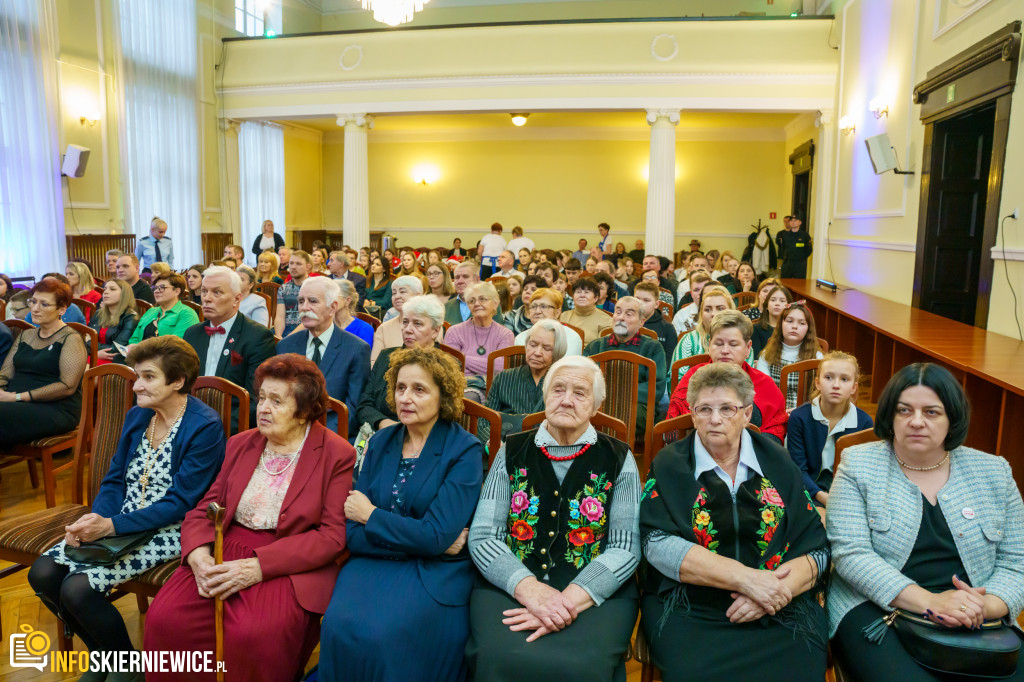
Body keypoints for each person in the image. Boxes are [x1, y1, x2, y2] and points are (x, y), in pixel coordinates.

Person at [144, 354, 356, 682]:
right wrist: (198, 556)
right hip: (223, 547)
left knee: (253, 636)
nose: (263, 408)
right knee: (165, 620)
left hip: (287, 561)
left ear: (303, 410)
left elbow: (331, 536)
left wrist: (259, 566)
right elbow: (206, 508)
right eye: (261, 399)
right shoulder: (241, 443)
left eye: (277, 401)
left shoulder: (336, 454)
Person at [26, 337, 223, 680]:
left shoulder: (204, 426)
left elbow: (181, 503)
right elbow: (115, 478)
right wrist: (97, 518)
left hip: (169, 527)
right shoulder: (138, 416)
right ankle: (107, 657)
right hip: (119, 519)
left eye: (148, 377)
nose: (137, 385)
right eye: (137, 375)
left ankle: (127, 667)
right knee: (42, 574)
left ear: (177, 381)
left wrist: (110, 527)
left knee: (78, 588)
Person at [827, 363, 1024, 682]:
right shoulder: (859, 465)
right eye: (904, 410)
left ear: (952, 419)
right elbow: (851, 555)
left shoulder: (994, 472)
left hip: (977, 616)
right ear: (891, 415)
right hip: (878, 608)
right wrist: (931, 602)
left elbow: (1017, 561)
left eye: (931, 412)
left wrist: (981, 607)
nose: (916, 422)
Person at [640, 362, 830, 682]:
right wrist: (747, 581)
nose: (715, 419)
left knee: (801, 664)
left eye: (727, 408)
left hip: (780, 605)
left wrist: (777, 590)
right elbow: (656, 543)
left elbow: (815, 543)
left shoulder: (777, 460)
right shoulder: (670, 466)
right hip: (695, 607)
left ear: (747, 413)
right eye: (704, 409)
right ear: (692, 413)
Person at [466, 355, 642, 680]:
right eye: (558, 389)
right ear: (545, 397)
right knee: (498, 657)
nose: (566, 399)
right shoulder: (512, 449)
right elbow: (483, 536)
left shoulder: (619, 458)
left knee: (581, 667)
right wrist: (529, 589)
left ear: (595, 406)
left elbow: (625, 547)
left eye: (580, 392)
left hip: (592, 594)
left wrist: (569, 600)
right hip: (509, 587)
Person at [318, 347, 483, 681]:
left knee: (385, 635)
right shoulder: (380, 441)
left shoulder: (464, 450)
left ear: (444, 396)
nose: (406, 397)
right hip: (373, 562)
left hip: (431, 574)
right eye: (401, 387)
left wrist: (373, 517)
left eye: (420, 389)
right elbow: (352, 531)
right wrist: (424, 538)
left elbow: (434, 537)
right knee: (338, 626)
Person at [669, 310, 788, 443]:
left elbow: (775, 435)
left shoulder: (765, 384)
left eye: (733, 344)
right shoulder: (692, 378)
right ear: (709, 345)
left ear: (748, 348)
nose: (725, 351)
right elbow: (673, 430)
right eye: (718, 344)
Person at [182, 266, 276, 430]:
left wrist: (215, 428)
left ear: (236, 299)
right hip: (191, 423)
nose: (207, 298)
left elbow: (257, 398)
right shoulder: (192, 334)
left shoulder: (257, 336)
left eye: (216, 292)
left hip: (234, 427)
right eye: (204, 291)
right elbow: (182, 386)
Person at [278, 277, 369, 436]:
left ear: (333, 307)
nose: (304, 307)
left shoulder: (356, 349)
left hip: (333, 434)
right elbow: (278, 398)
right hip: (288, 431)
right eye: (301, 301)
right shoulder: (286, 346)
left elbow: (353, 407)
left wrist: (322, 438)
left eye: (313, 301)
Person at [0, 279, 86, 445]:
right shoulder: (27, 335)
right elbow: (5, 373)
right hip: (15, 403)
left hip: (55, 408)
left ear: (61, 309)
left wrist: (17, 397)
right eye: (33, 301)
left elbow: (67, 387)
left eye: (44, 304)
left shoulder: (71, 338)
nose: (35, 308)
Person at [786, 351, 872, 506]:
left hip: (847, 490)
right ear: (818, 383)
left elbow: (864, 474)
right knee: (817, 523)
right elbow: (797, 469)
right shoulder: (799, 417)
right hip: (808, 485)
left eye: (844, 379)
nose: (836, 385)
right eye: (829, 377)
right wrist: (820, 496)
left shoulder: (864, 422)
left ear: (854, 387)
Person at [357, 295, 445, 434]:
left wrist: (402, 432)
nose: (408, 329)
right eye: (405, 322)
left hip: (426, 439)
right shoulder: (386, 357)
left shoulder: (447, 365)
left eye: (417, 324)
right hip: (381, 433)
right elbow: (364, 405)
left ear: (435, 331)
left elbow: (446, 415)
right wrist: (383, 423)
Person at [583, 296, 667, 438]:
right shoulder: (595, 346)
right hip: (598, 404)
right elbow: (582, 380)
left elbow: (656, 388)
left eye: (629, 314)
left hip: (637, 408)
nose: (621, 318)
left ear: (642, 322)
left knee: (621, 416)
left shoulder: (653, 348)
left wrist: (615, 395)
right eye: (618, 312)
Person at [486, 319, 566, 439]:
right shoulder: (504, 377)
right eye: (533, 345)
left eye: (547, 348)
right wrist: (491, 444)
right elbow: (485, 419)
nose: (537, 352)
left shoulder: (564, 383)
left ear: (557, 352)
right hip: (505, 446)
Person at [444, 282, 514, 394]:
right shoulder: (454, 331)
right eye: (472, 301)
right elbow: (449, 366)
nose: (477, 303)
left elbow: (501, 368)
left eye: (483, 299)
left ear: (495, 304)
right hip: (458, 389)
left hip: (494, 391)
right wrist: (488, 364)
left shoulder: (505, 334)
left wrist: (463, 359)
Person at [671, 286, 752, 381]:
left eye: (720, 309)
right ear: (701, 314)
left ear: (731, 311)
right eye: (707, 309)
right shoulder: (689, 340)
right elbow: (677, 378)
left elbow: (748, 378)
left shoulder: (742, 341)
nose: (713, 314)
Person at [755, 302, 824, 410]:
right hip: (774, 410)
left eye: (802, 323)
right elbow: (764, 390)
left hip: (806, 412)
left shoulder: (816, 357)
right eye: (789, 321)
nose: (794, 326)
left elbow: (820, 393)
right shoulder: (767, 354)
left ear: (808, 329)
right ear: (780, 324)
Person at [127, 273, 199, 345]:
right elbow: (134, 339)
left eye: (162, 287)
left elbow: (176, 345)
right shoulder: (151, 311)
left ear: (177, 291)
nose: (156, 291)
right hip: (139, 354)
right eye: (154, 288)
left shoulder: (187, 314)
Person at [371, 275, 427, 365]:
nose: (397, 296)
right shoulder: (384, 328)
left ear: (418, 295)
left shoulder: (430, 326)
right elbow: (374, 364)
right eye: (394, 293)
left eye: (402, 292)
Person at [514, 288, 583, 357]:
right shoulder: (521, 338)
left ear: (557, 313)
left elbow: (567, 366)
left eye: (543, 307)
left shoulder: (571, 337)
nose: (537, 311)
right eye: (533, 306)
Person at [89, 279, 139, 365]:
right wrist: (96, 353)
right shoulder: (99, 313)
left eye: (112, 289)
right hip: (94, 356)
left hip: (113, 361)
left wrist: (93, 349)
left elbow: (117, 348)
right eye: (105, 289)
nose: (105, 292)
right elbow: (85, 339)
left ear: (124, 294)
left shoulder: (131, 317)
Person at [633, 281, 676, 370]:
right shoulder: (626, 324)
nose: (640, 304)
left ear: (657, 304)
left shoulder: (667, 328)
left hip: (655, 376)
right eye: (637, 299)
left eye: (646, 300)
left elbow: (669, 360)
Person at [560, 276, 612, 345]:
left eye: (587, 292)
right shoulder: (563, 316)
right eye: (578, 292)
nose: (582, 295)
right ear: (573, 297)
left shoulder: (606, 321)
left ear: (596, 298)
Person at [275, 250, 314, 337]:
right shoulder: (283, 288)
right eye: (291, 263)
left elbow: (311, 318)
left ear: (308, 267)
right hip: (286, 332)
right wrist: (278, 337)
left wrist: (289, 338)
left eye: (298, 264)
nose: (293, 267)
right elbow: (280, 317)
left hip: (308, 331)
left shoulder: (315, 287)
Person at [751, 285, 793, 360]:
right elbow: (756, 360)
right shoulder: (756, 329)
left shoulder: (792, 329)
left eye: (782, 301)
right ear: (766, 305)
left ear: (789, 306)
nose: (777, 303)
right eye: (773, 300)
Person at [334, 278, 374, 347]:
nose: (328, 299)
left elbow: (363, 356)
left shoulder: (363, 329)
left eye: (334, 295)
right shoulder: (324, 326)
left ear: (347, 300)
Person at [445, 261, 486, 326]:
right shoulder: (446, 307)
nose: (460, 281)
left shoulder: (490, 305)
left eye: (465, 276)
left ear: (477, 279)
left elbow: (497, 333)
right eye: (457, 277)